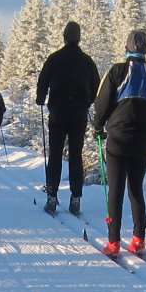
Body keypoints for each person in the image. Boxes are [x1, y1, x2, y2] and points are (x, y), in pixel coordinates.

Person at [92, 30, 146, 256]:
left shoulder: (116, 71)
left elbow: (102, 102)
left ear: (126, 48)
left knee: (115, 190)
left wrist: (98, 126)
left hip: (117, 138)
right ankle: (138, 240)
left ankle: (113, 242)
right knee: (136, 189)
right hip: (142, 140)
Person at [34, 20, 100, 216]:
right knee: (75, 156)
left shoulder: (54, 58)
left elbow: (43, 80)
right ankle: (75, 199)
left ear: (64, 37)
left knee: (54, 154)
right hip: (78, 114)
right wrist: (87, 101)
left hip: (58, 113)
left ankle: (52, 197)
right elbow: (96, 84)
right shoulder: (87, 61)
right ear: (78, 38)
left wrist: (41, 99)